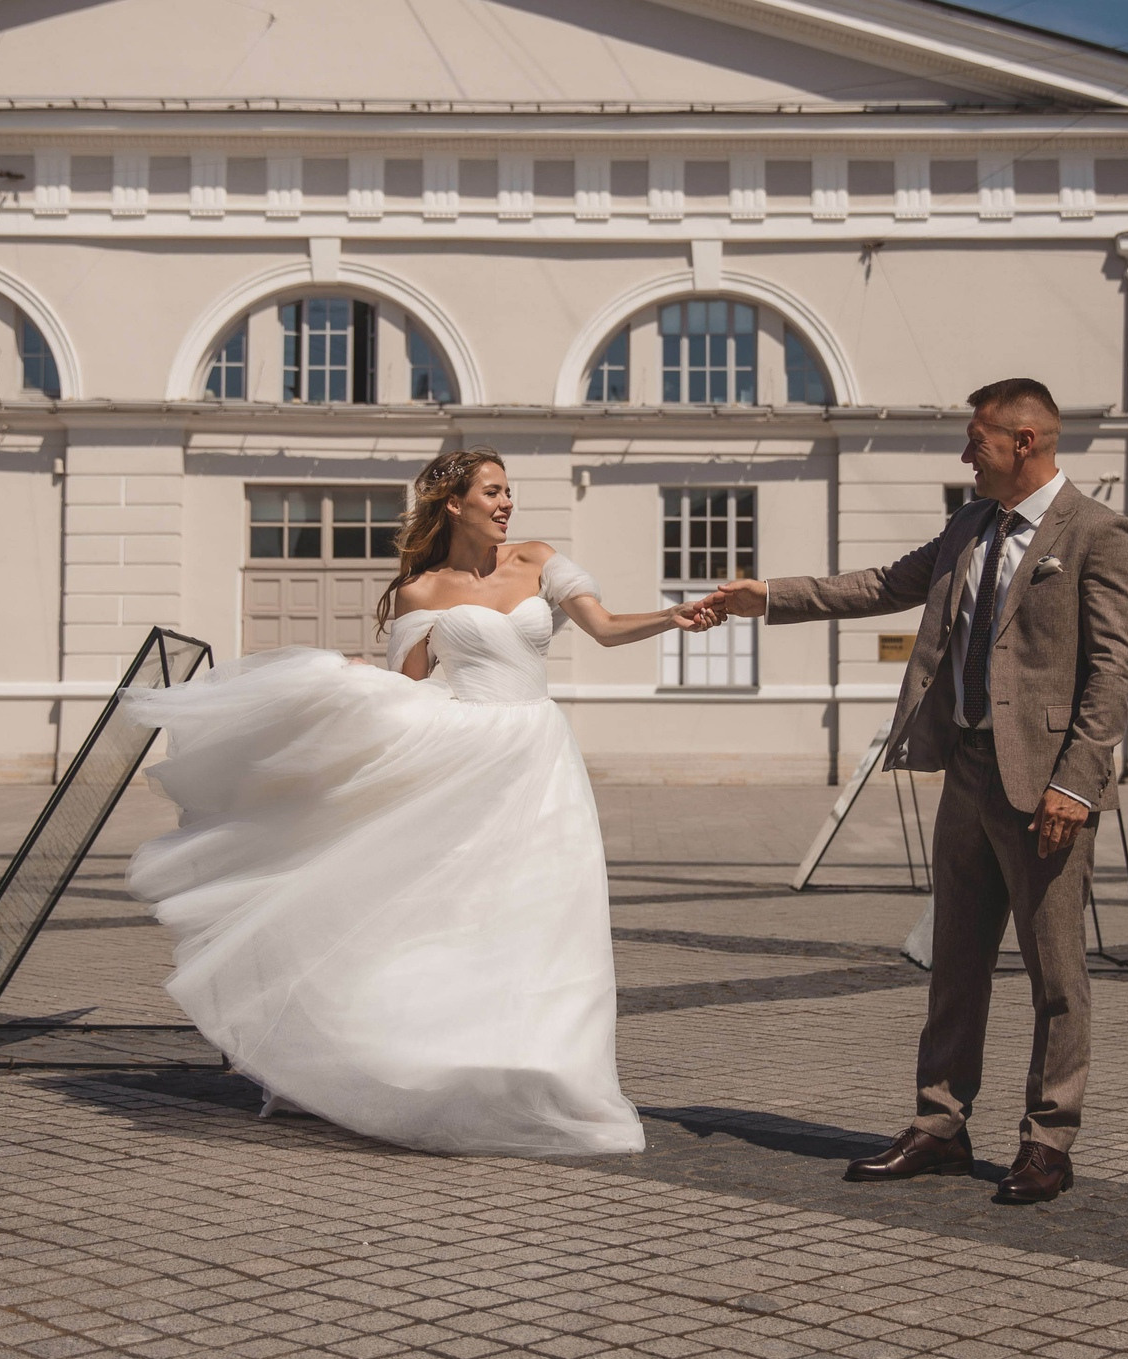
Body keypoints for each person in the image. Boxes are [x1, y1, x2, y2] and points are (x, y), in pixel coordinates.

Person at [122, 448, 711, 1157]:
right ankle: (407, 1058)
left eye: (508, 491)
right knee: (453, 912)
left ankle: (557, 1075)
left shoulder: (540, 561)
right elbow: (408, 688)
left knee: (553, 910)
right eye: (492, 491)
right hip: (465, 756)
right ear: (455, 503)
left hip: (540, 757)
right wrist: (351, 687)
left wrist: (672, 616)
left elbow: (607, 626)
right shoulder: (421, 592)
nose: (506, 503)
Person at [700, 378, 1128, 1204]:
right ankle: (939, 1123)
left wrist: (1076, 786)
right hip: (968, 772)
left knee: (1056, 973)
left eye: (975, 439)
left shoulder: (1098, 534)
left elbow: (1114, 670)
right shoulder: (968, 525)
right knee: (955, 963)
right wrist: (764, 598)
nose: (962, 454)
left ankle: (1049, 1139)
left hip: (1046, 786)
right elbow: (879, 585)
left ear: (1025, 442)